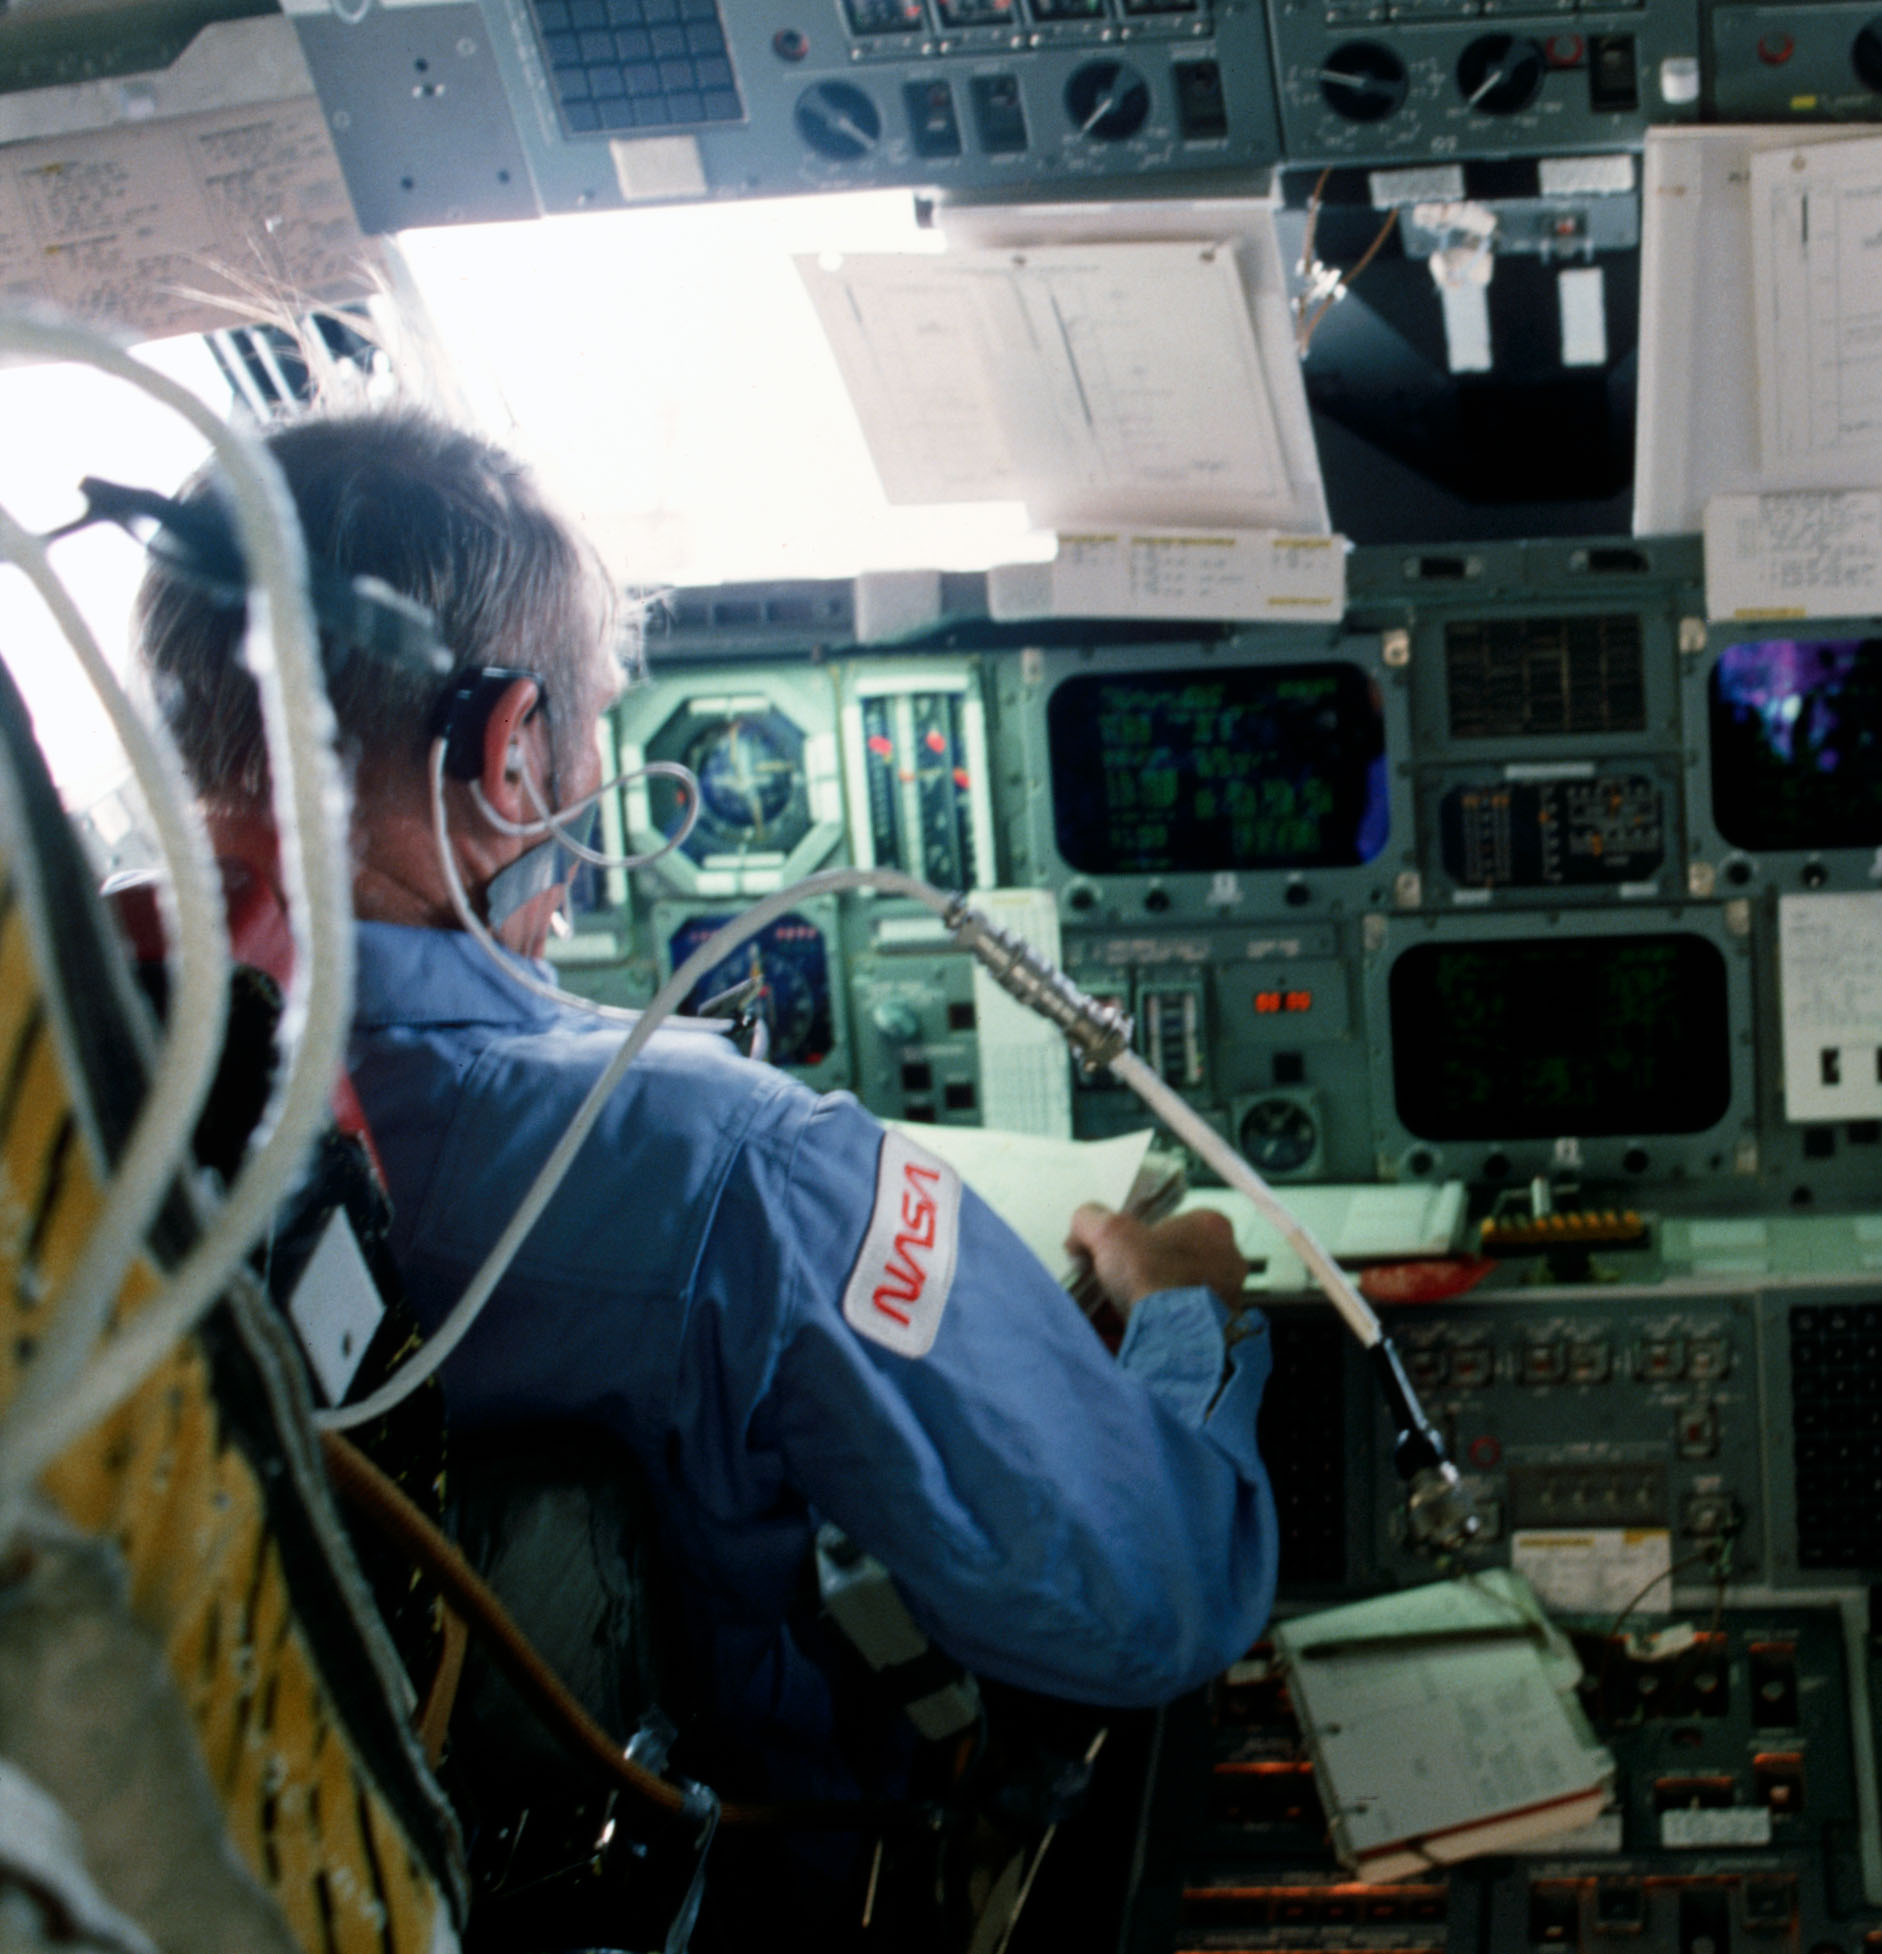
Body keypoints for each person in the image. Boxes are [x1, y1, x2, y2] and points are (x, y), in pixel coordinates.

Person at [134, 410, 1279, 1823]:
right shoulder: (736, 1171)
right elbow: (1146, 1598)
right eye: (596, 723)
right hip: (769, 1876)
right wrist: (1181, 1316)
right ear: (507, 756)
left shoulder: (94, 1109)